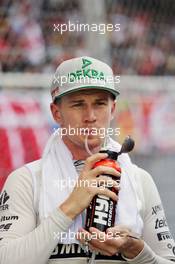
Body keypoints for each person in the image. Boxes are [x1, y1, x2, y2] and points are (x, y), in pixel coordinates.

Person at [0, 56, 175, 264]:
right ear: (56, 113)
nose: (90, 116)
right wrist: (70, 207)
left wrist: (136, 250)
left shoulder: (139, 180)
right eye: (78, 104)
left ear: (112, 110)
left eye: (100, 104)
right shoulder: (26, 180)